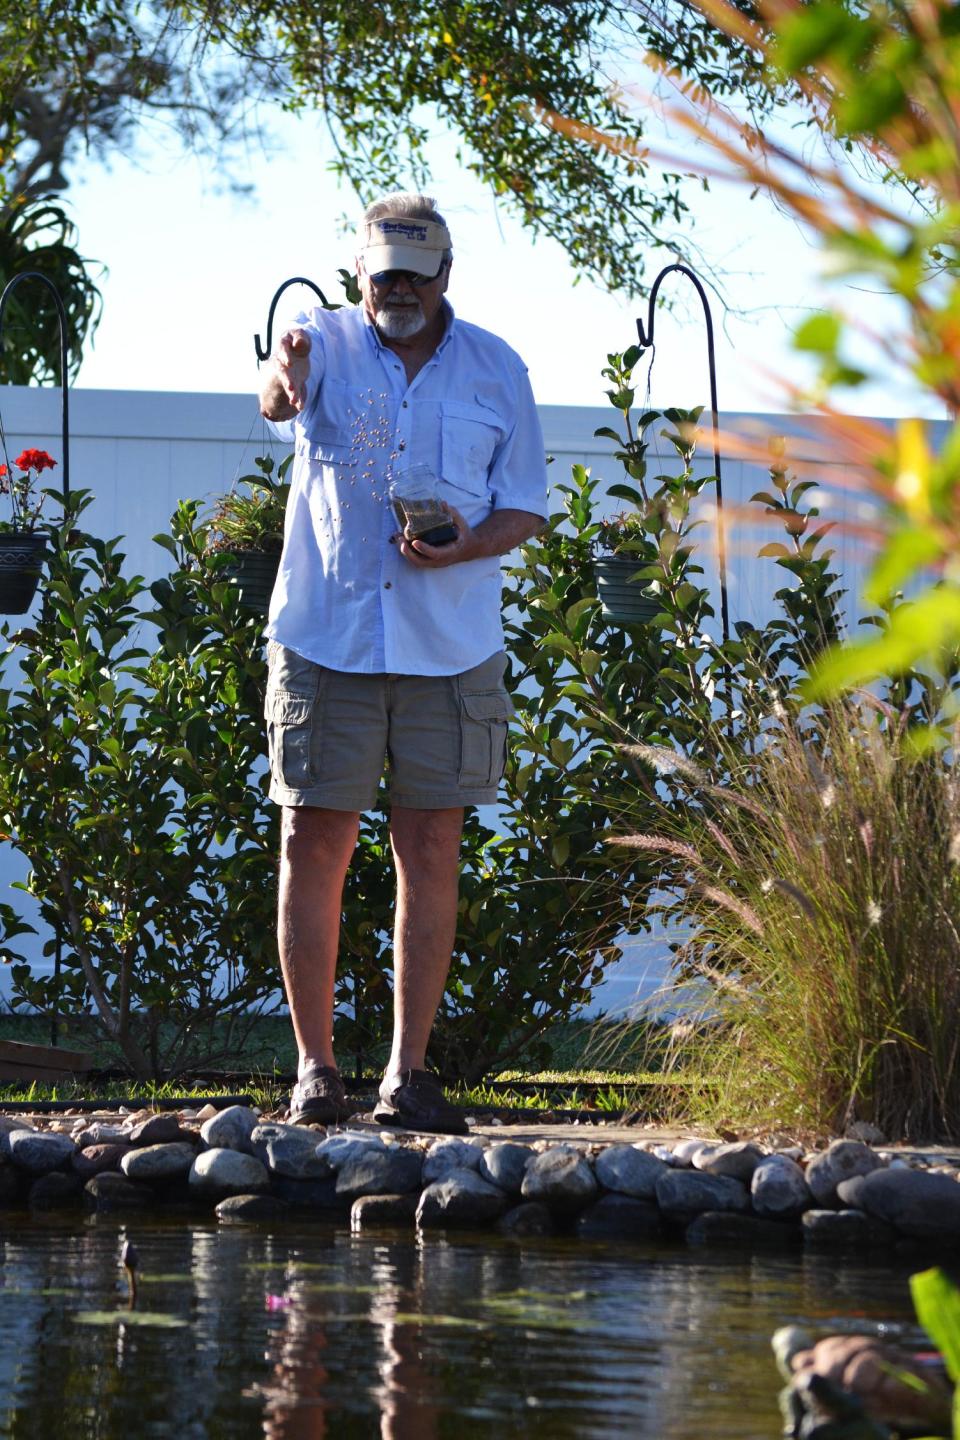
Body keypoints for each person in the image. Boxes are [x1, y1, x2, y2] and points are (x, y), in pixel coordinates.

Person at [258, 192, 548, 1134]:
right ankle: (315, 1072)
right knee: (315, 844)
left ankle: (407, 1077)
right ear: (360, 273)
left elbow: (526, 508)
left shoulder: (497, 369)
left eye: (415, 276)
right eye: (383, 275)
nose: (398, 291)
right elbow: (274, 394)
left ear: (445, 275)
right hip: (327, 637)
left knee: (430, 852)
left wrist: (464, 546)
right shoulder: (320, 343)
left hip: (450, 650)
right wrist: (284, 374)